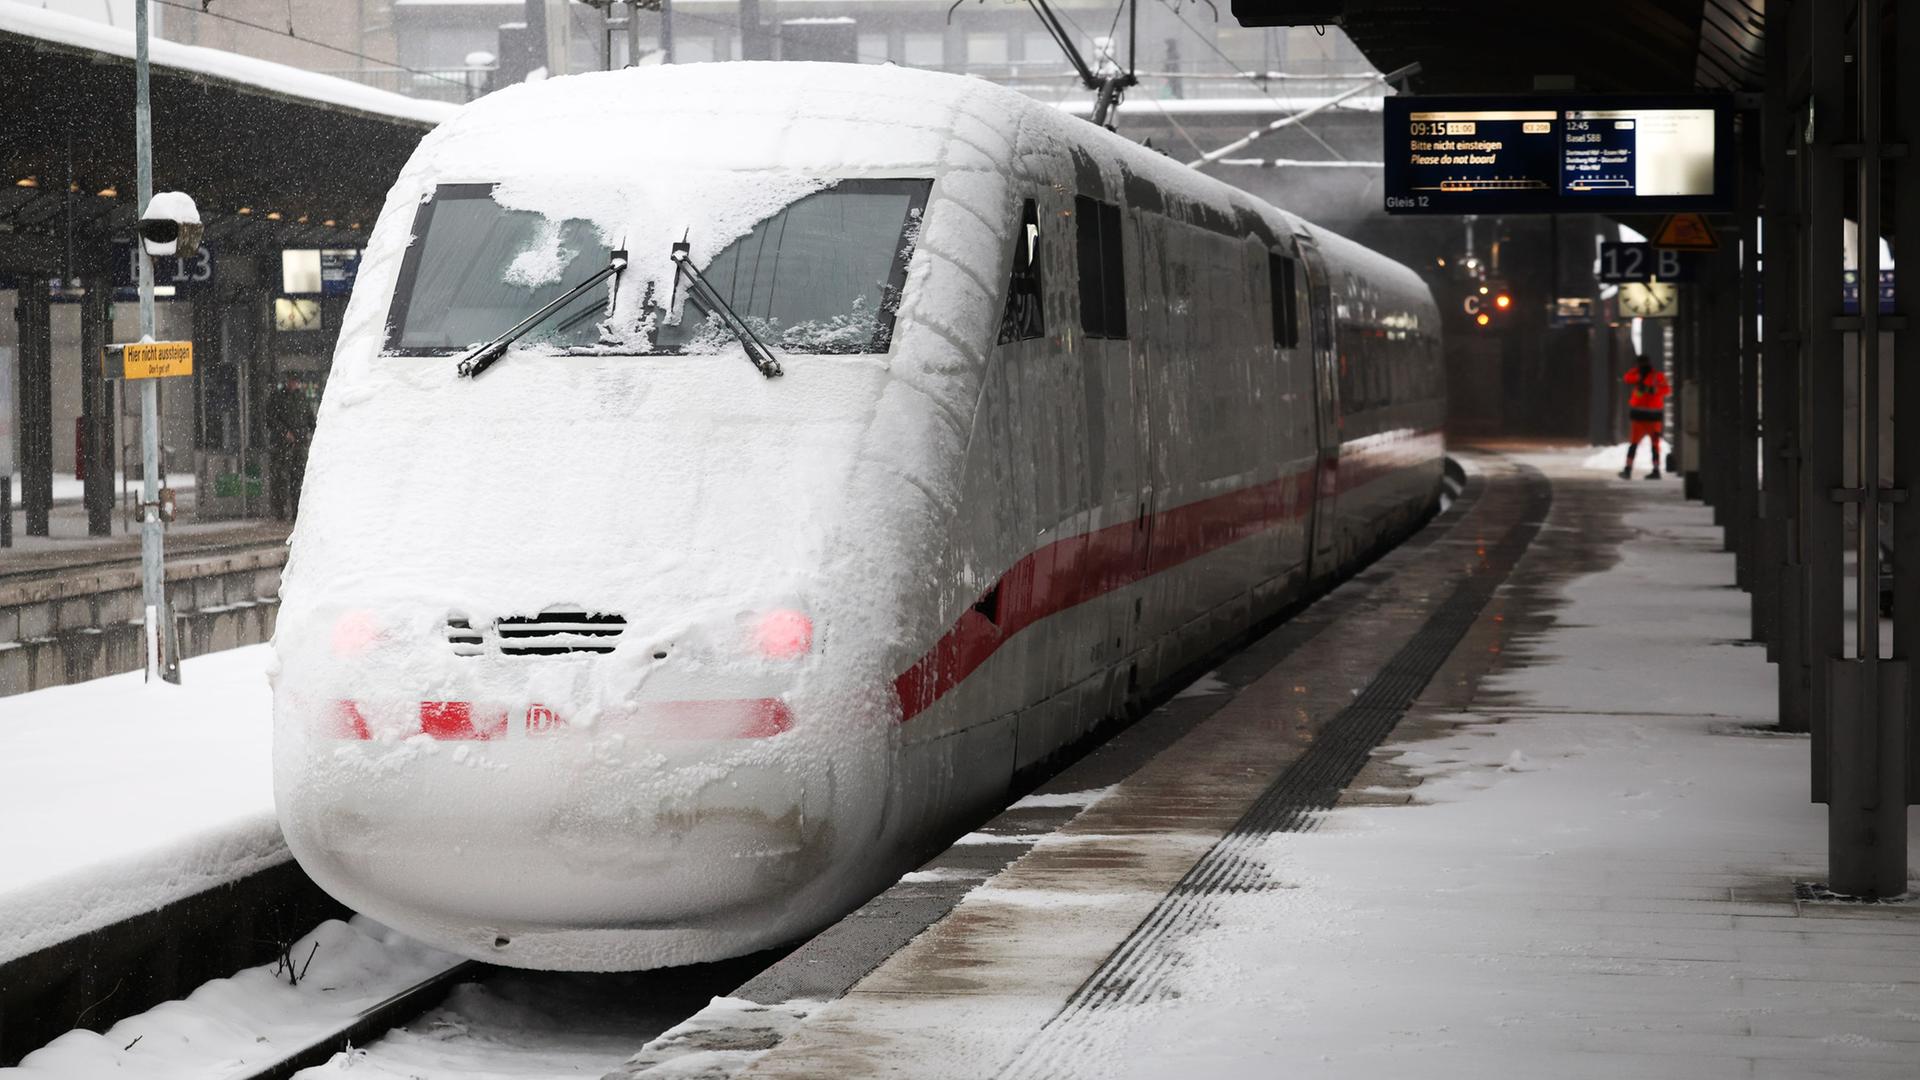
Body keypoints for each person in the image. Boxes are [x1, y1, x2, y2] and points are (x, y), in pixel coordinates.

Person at [265, 379, 315, 520]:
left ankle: (296, 512)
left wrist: (313, 433)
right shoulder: (278, 398)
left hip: (299, 445)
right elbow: (271, 419)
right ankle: (279, 512)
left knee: (297, 479)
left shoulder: (301, 398)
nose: (294, 384)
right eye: (292, 381)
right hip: (282, 446)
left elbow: (310, 419)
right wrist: (284, 432)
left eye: (296, 382)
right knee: (280, 478)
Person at [1620, 354, 1671, 480]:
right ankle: (1655, 469)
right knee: (1652, 444)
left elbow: (1666, 390)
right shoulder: (1652, 376)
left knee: (1636, 444)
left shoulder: (1654, 377)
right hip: (1651, 417)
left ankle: (1629, 469)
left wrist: (1652, 390)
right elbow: (1626, 378)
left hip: (1642, 417)